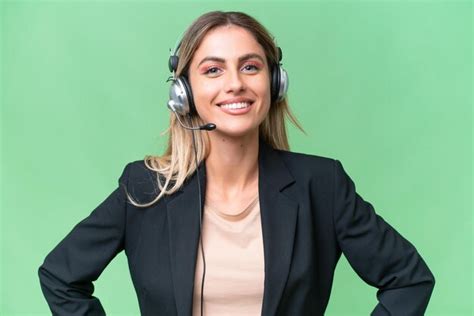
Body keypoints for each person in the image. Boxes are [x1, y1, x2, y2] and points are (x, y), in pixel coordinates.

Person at [38, 10, 435, 316]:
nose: (235, 84)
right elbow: (60, 276)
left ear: (274, 82)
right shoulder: (145, 187)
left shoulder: (322, 183)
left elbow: (410, 280)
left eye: (250, 66)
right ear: (183, 92)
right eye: (213, 70)